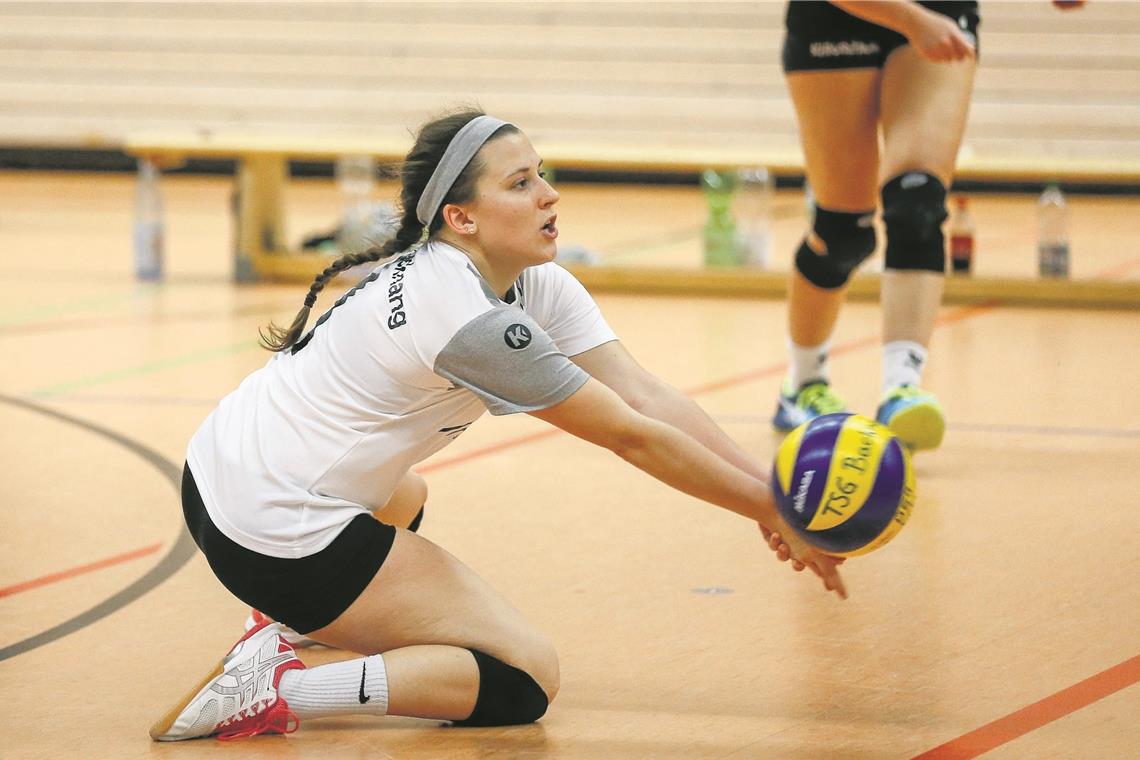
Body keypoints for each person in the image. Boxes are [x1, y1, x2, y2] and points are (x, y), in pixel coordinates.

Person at [150, 110, 847, 742]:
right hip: (274, 533)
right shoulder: (469, 318)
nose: (548, 195)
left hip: (215, 473)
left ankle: (290, 623)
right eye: (520, 183)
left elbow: (645, 395)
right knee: (524, 676)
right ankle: (277, 688)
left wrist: (772, 495)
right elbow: (630, 434)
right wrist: (772, 510)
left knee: (407, 495)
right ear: (462, 217)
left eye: (542, 175)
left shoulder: (528, 280)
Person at [773, 0, 1084, 449]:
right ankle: (803, 384)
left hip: (940, 6)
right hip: (837, 15)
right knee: (843, 232)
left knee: (916, 203)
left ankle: (902, 387)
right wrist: (909, 20)